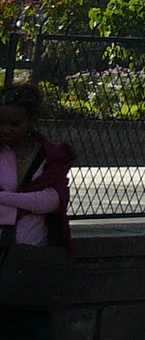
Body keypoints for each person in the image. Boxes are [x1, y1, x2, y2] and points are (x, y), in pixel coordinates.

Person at [0, 84, 74, 340]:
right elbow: (36, 202)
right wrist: (21, 206)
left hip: (31, 252)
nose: (6, 130)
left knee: (31, 323)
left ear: (32, 121)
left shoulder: (48, 156)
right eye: (1, 123)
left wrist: (5, 199)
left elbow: (52, 200)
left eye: (15, 123)